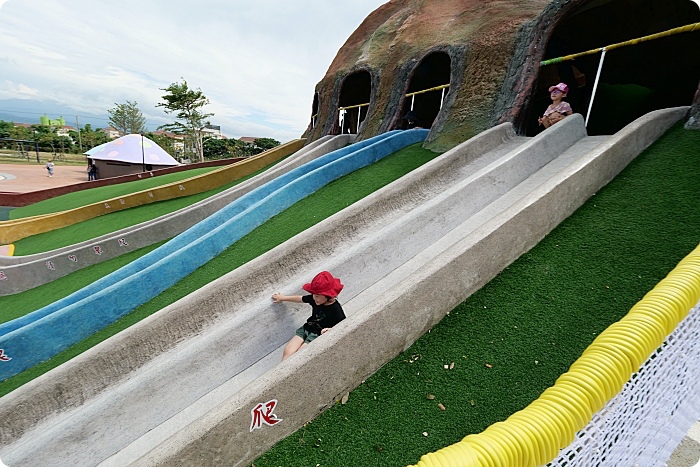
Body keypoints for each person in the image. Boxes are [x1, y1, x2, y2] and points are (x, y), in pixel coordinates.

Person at [272, 271, 346, 361]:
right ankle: (283, 366)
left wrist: (330, 330)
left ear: (328, 296)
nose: (314, 298)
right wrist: (283, 298)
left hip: (318, 333)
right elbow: (301, 298)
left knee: (301, 353)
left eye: (317, 296)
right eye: (313, 295)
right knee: (289, 350)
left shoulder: (335, 309)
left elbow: (344, 324)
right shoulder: (315, 299)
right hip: (308, 327)